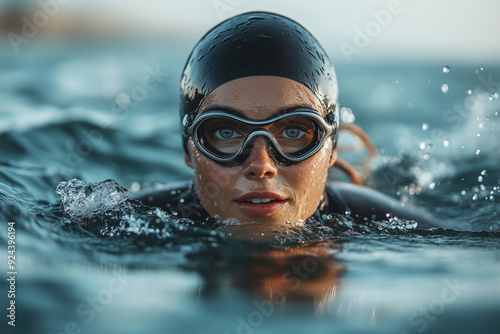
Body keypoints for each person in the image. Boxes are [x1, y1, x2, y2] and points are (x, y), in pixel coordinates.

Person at [133, 11, 441, 241]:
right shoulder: (137, 218)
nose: (261, 166)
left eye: (294, 131)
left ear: (331, 148)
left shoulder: (387, 223)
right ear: (188, 149)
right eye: (225, 131)